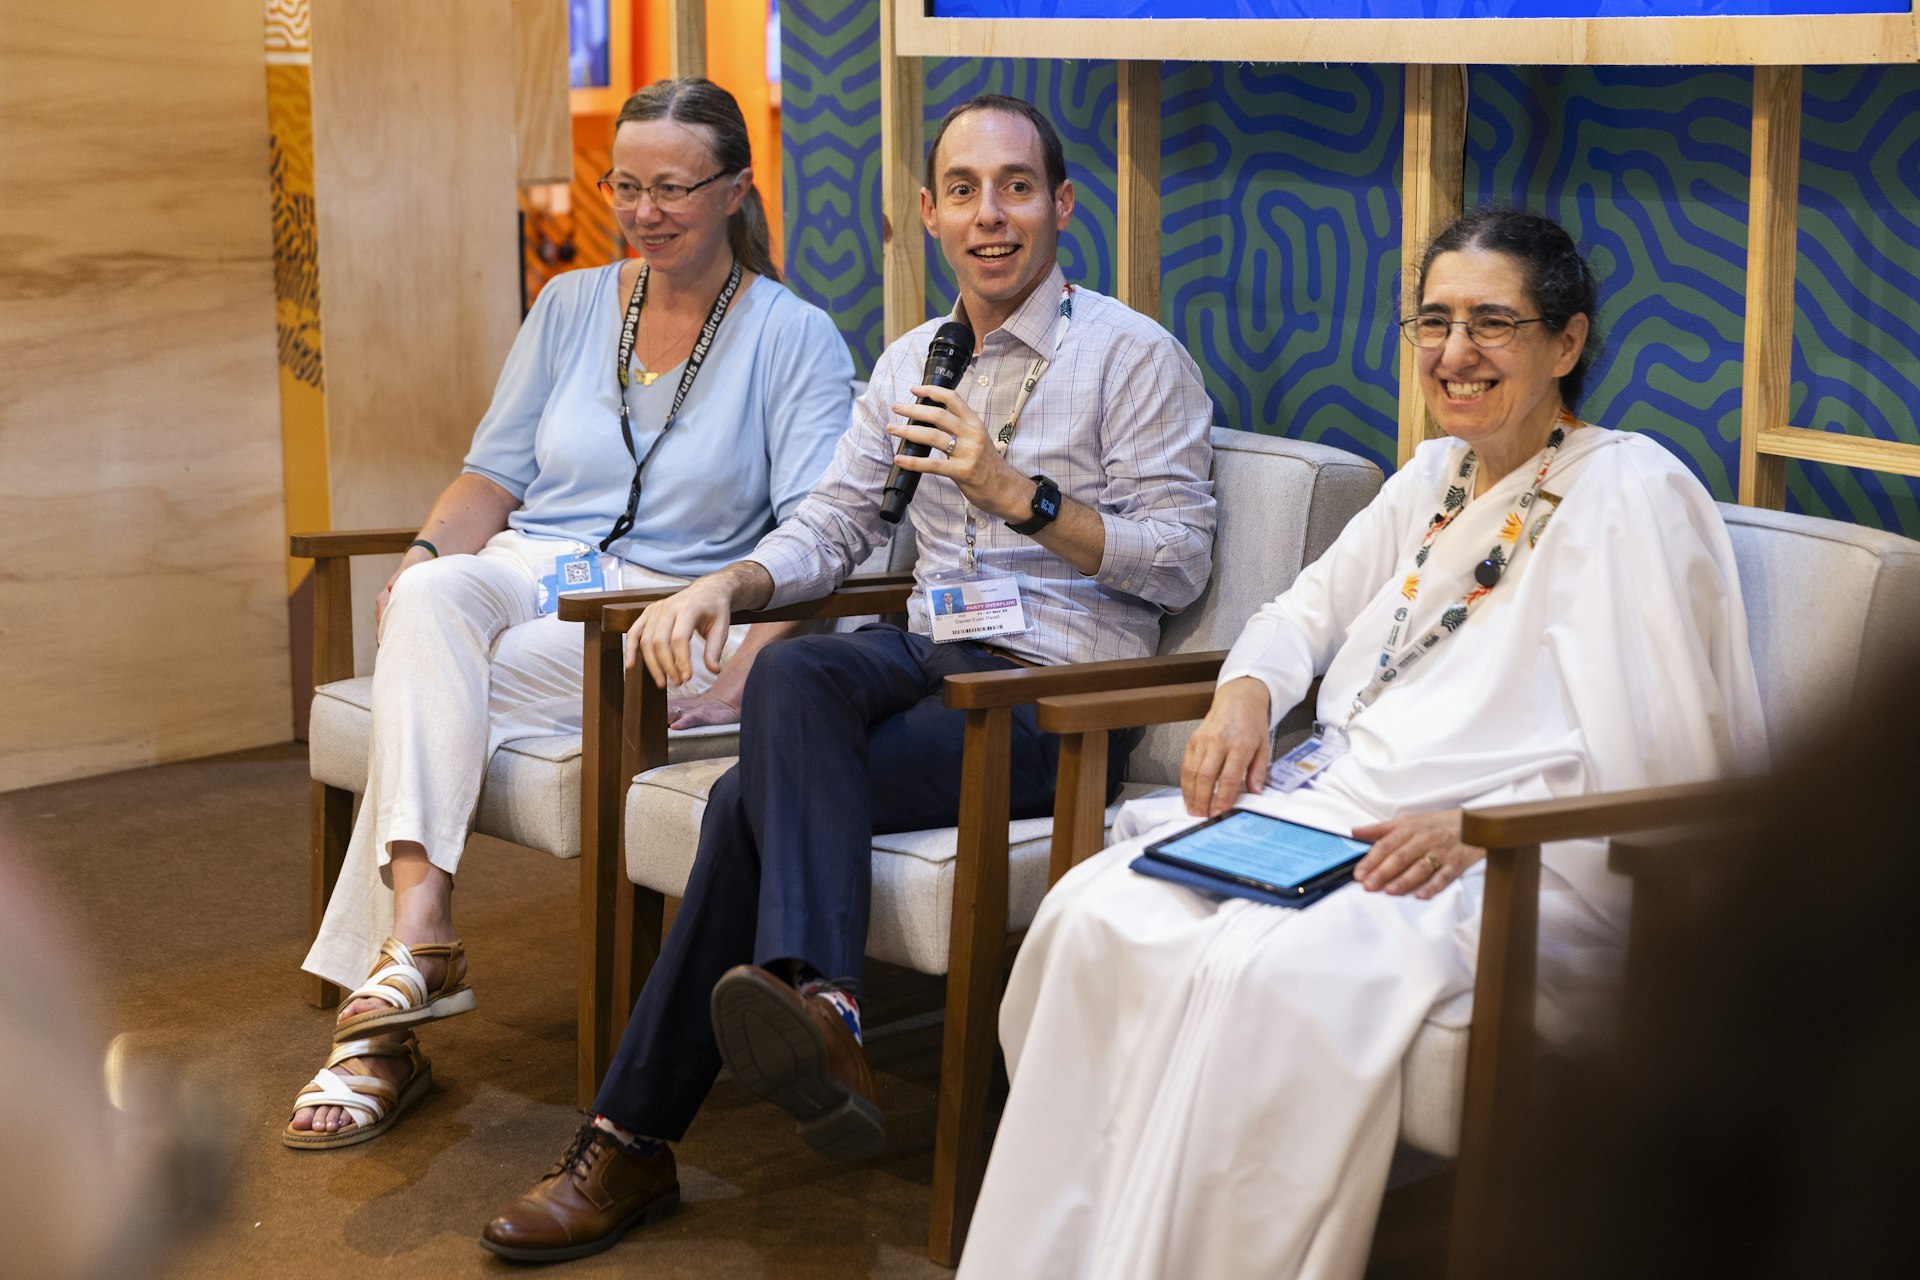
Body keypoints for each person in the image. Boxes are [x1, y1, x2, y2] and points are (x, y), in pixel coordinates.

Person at [954, 208, 1771, 1279]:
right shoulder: (1433, 474)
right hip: (1333, 815)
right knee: (1096, 911)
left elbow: (1667, 753)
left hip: (1514, 860)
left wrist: (1480, 829)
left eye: (1493, 323)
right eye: (1434, 320)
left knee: (1271, 969)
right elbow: (1300, 611)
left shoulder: (1633, 488)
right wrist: (1245, 692)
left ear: (1566, 343)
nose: (1455, 352)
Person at [477, 93, 1217, 1262]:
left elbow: (1178, 563)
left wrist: (1017, 490)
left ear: (1061, 205)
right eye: (964, 190)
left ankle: (627, 1139)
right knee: (801, 673)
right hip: (925, 656)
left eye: (1017, 187)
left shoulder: (1132, 359)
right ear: (928, 213)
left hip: (1049, 698)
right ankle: (825, 1002)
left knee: (738, 804)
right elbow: (832, 522)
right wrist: (730, 585)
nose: (991, 215)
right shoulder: (915, 360)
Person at [283, 79, 853, 1148]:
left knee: (431, 679)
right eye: (626, 185)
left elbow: (818, 533)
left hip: (655, 611)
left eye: (673, 187)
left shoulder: (797, 337)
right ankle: (423, 932)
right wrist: (416, 555)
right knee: (435, 596)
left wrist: (751, 663)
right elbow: (487, 481)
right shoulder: (570, 306)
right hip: (530, 565)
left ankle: (379, 1038)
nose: (645, 209)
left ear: (734, 189)